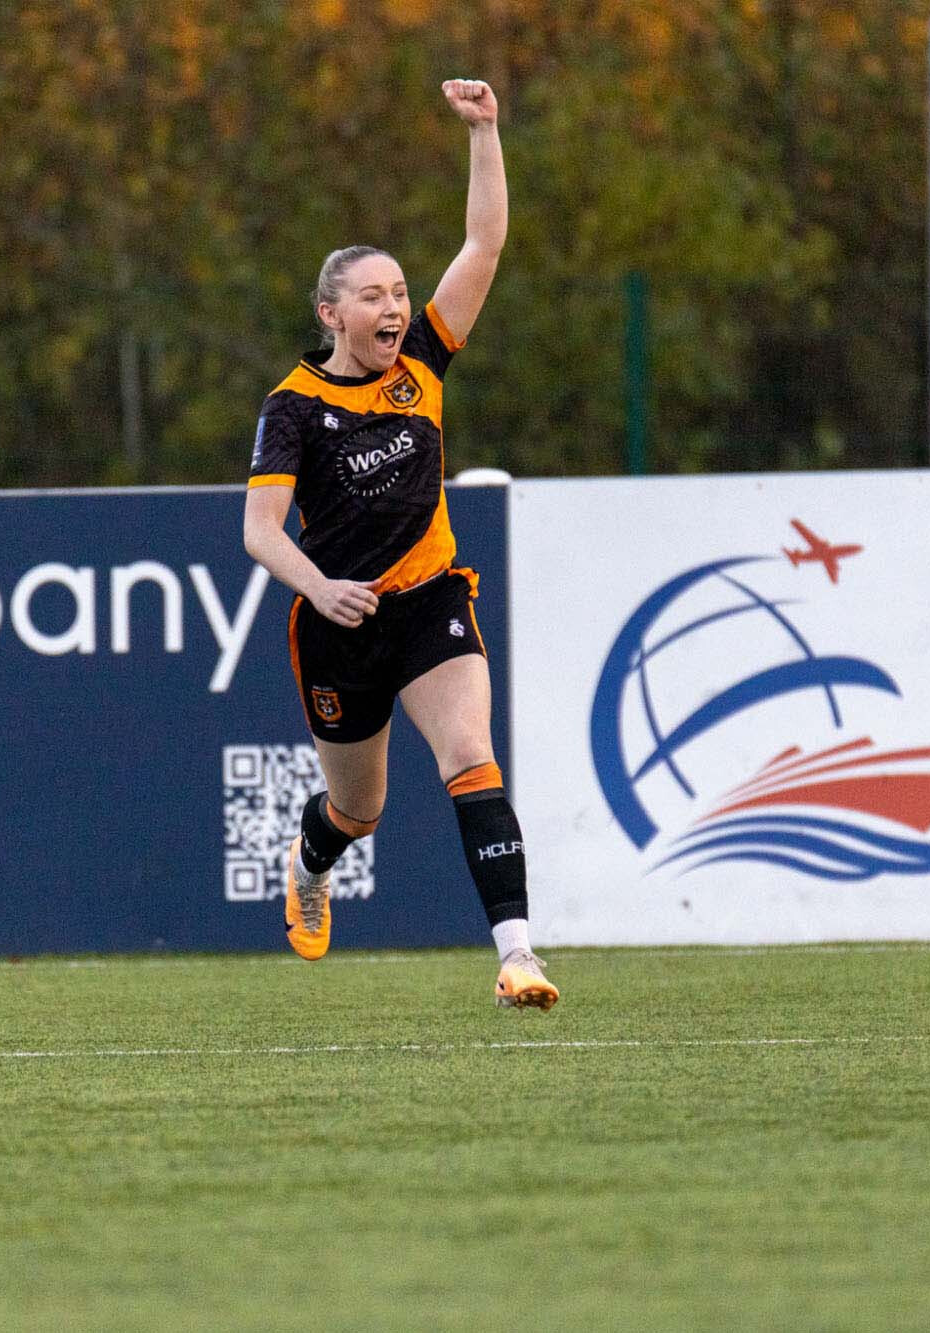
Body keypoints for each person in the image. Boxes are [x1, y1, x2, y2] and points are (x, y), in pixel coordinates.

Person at [242, 78, 556, 1010]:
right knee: (360, 809)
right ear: (330, 315)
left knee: (472, 756)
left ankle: (518, 955)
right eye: (373, 295)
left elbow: (485, 242)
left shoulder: (422, 363)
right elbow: (260, 532)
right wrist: (322, 586)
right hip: (340, 624)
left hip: (429, 602)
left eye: (401, 292)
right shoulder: (293, 406)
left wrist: (487, 132)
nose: (394, 306)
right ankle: (310, 858)